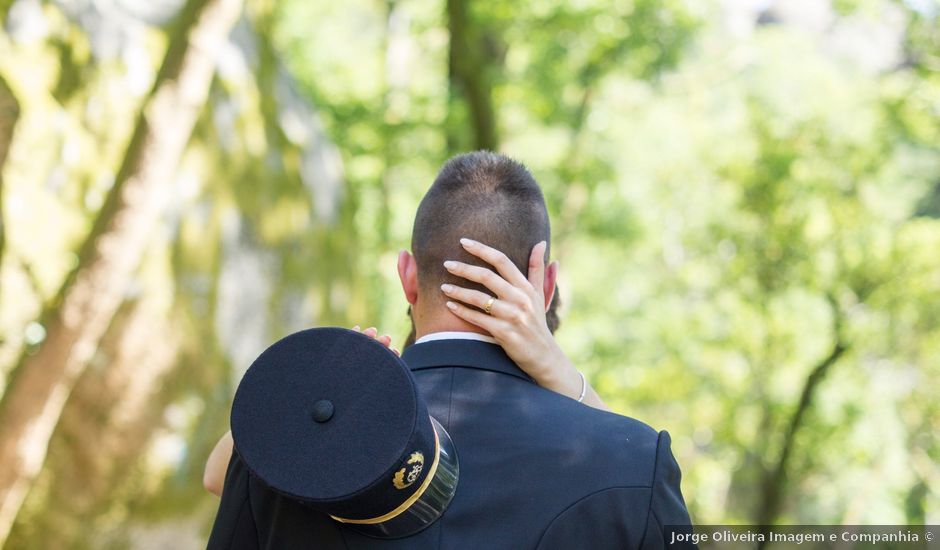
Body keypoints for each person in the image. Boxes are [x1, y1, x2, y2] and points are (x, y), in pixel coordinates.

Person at [207, 151, 693, 548]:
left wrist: (317, 381)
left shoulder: (290, 450)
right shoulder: (632, 462)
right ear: (545, 288)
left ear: (408, 276)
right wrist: (565, 376)